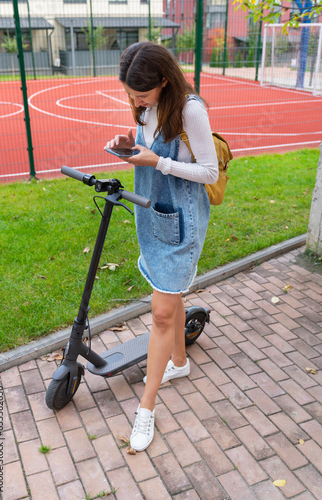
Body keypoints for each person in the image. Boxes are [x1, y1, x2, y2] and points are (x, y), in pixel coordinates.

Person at [105, 41, 218, 452]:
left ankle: (146, 408)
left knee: (161, 313)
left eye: (141, 95)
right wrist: (132, 148)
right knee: (171, 297)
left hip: (181, 220)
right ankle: (181, 364)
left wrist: (157, 162)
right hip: (153, 212)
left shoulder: (191, 110)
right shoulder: (150, 106)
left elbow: (208, 172)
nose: (135, 102)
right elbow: (150, 146)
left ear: (164, 81)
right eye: (131, 95)